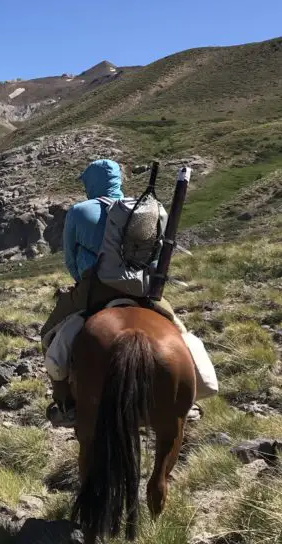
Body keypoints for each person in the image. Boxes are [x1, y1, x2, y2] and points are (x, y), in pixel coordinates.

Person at [40, 158, 185, 424]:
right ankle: (189, 396)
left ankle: (64, 403)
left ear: (92, 182)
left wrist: (83, 281)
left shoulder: (79, 211)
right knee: (180, 332)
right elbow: (156, 257)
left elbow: (71, 259)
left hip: (94, 289)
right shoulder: (145, 210)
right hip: (143, 290)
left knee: (50, 333)